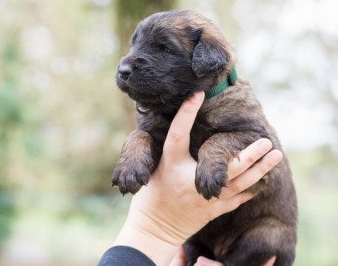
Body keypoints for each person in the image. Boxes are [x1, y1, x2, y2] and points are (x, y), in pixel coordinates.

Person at [98, 92, 282, 266]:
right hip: (195, 242)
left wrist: (151, 229)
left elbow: (256, 140)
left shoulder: (231, 105)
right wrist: (154, 226)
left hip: (254, 234)